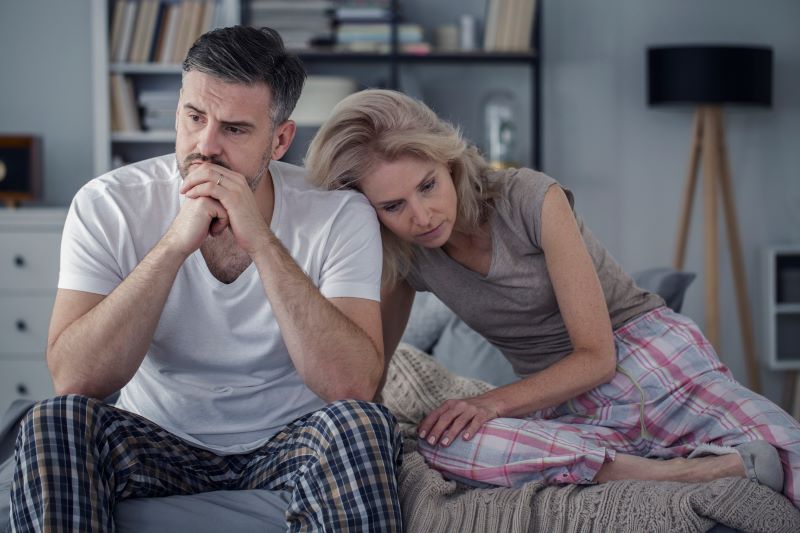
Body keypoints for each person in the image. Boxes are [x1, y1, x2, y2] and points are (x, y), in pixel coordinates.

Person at [305, 88, 800, 508]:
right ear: (368, 213)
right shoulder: (407, 258)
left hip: (650, 364)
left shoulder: (530, 196)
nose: (423, 215)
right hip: (565, 409)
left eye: (428, 185)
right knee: (443, 448)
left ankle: (649, 465)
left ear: (448, 159)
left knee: (786, 457)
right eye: (393, 206)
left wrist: (489, 403)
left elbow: (597, 357)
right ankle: (675, 475)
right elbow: (368, 376)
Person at [9, 28, 403, 532]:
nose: (205, 147)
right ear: (178, 112)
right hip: (156, 439)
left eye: (235, 129)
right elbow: (75, 378)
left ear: (279, 140)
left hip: (288, 442)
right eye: (195, 118)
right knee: (51, 421)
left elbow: (352, 385)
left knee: (363, 425)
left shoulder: (338, 215)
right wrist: (174, 245)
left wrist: (260, 242)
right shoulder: (107, 203)